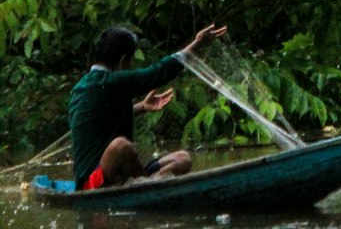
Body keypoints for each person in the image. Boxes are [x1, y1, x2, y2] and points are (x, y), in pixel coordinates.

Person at [69, 22, 227, 190]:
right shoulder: (108, 82)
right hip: (91, 182)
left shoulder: (85, 87)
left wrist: (141, 107)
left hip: (120, 173)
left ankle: (147, 184)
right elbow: (158, 72)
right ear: (123, 61)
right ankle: (149, 188)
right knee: (121, 146)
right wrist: (197, 44)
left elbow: (101, 117)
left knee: (183, 159)